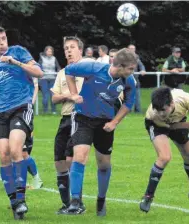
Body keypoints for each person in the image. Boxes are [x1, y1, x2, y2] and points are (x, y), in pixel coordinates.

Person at [64, 48, 137, 216]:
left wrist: (114, 122)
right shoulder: (94, 68)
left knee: (103, 164)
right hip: (83, 118)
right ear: (119, 65)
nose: (132, 72)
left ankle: (101, 201)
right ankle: (75, 201)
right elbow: (69, 70)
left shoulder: (129, 81)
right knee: (80, 156)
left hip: (105, 123)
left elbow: (128, 103)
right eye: (130, 69)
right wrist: (74, 94)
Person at [0, 24, 43, 219]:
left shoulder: (18, 51)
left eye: (4, 39)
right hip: (0, 114)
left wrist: (15, 62)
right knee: (4, 155)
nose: (2, 43)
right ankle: (14, 202)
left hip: (21, 107)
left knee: (17, 150)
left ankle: (22, 199)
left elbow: (39, 73)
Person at [139, 87, 189, 213]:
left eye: (163, 109)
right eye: (158, 110)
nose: (161, 113)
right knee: (164, 157)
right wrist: (188, 125)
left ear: (172, 103)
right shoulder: (154, 114)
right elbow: (170, 127)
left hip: (179, 120)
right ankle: (148, 196)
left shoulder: (185, 99)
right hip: (157, 126)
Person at [50, 36, 94, 214]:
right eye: (66, 48)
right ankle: (66, 204)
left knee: (71, 160)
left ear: (80, 50)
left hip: (81, 117)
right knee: (59, 162)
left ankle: (78, 203)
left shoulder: (89, 68)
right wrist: (68, 95)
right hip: (65, 119)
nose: (68, 50)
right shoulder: (62, 73)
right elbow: (54, 98)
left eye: (72, 47)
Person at [38, 45, 61, 114]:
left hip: (52, 79)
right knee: (45, 95)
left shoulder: (54, 58)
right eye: (48, 51)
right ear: (45, 51)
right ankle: (45, 110)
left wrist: (59, 71)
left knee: (53, 95)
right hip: (44, 79)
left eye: (51, 51)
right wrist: (41, 71)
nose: (50, 52)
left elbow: (58, 67)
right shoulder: (42, 58)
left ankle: (53, 110)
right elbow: (38, 67)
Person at [128, 44, 146, 113]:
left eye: (133, 49)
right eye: (131, 49)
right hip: (127, 80)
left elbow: (141, 65)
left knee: (137, 97)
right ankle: (127, 111)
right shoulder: (124, 57)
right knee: (128, 97)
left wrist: (143, 70)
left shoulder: (137, 58)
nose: (132, 50)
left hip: (136, 81)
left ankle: (137, 111)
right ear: (128, 50)